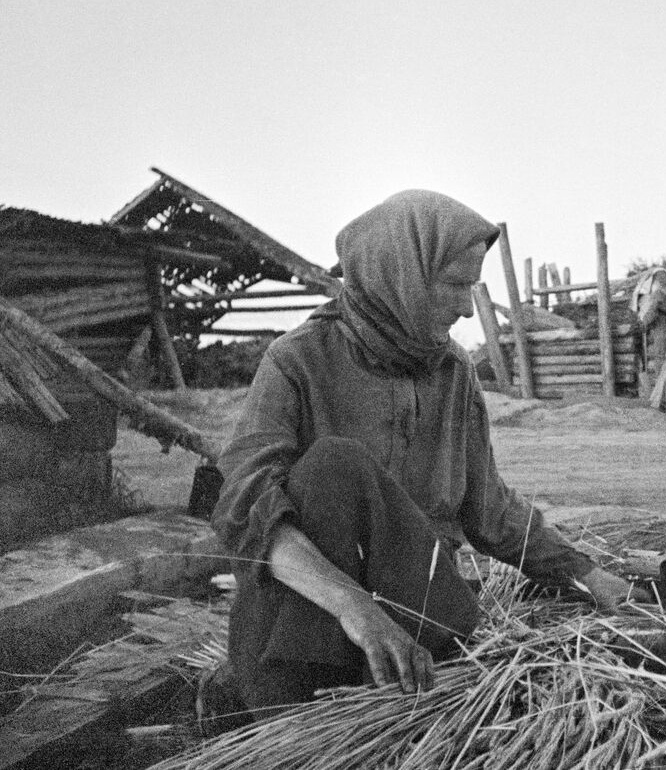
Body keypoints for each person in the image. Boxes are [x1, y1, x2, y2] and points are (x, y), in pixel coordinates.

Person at [206, 190, 635, 722]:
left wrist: (585, 573)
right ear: (400, 274)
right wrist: (354, 606)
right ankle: (296, 707)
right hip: (304, 626)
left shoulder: (453, 373)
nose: (465, 305)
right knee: (334, 468)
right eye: (454, 285)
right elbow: (246, 510)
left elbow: (489, 509)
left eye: (472, 287)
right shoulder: (298, 361)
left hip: (419, 607)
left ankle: (371, 701)